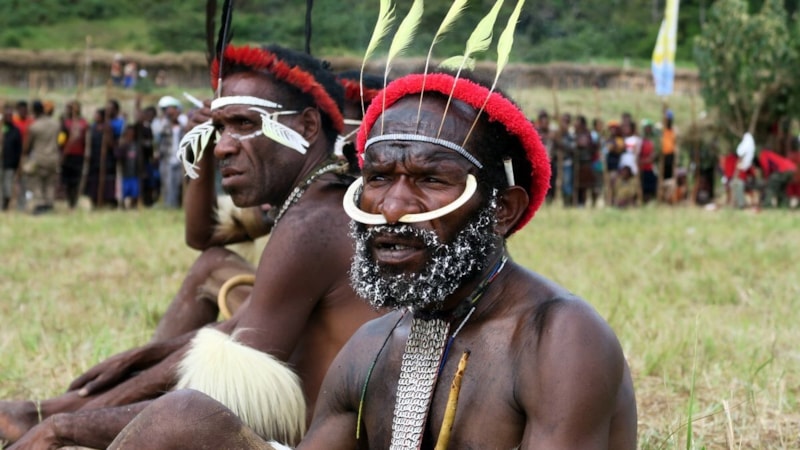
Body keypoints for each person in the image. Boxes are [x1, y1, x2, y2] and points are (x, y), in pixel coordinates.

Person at [107, 71, 637, 449]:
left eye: (430, 180)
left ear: (502, 210)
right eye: (378, 178)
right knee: (183, 420)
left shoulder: (558, 338)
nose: (392, 208)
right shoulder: (373, 346)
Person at [0, 44, 382, 449]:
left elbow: (222, 398)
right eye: (218, 129)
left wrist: (62, 426)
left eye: (243, 123)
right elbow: (208, 249)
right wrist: (138, 362)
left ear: (307, 127)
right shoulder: (308, 204)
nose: (222, 147)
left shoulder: (314, 221)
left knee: (181, 414)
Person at [22, 100, 61, 214]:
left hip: (39, 158)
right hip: (53, 158)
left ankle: (40, 205)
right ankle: (49, 204)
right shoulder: (56, 124)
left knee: (37, 182)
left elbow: (28, 146)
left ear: (34, 111)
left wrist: (24, 155)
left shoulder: (34, 126)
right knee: (50, 183)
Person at [154, 96, 186, 208]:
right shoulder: (162, 123)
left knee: (178, 183)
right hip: (167, 159)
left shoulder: (183, 124)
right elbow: (158, 132)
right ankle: (168, 206)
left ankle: (176, 205)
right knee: (167, 183)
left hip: (180, 160)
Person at [60, 101, 89, 209]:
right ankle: (69, 200)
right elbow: (61, 139)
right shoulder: (65, 123)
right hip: (67, 154)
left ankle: (74, 201)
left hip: (79, 155)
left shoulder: (83, 123)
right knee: (67, 180)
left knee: (76, 180)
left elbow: (86, 139)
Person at [1, 103, 23, 211]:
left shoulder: (15, 130)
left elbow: (19, 149)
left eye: (11, 115)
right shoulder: (1, 129)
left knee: (7, 186)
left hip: (10, 164)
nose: (9, 117)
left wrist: (18, 164)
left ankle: (5, 206)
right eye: (7, 115)